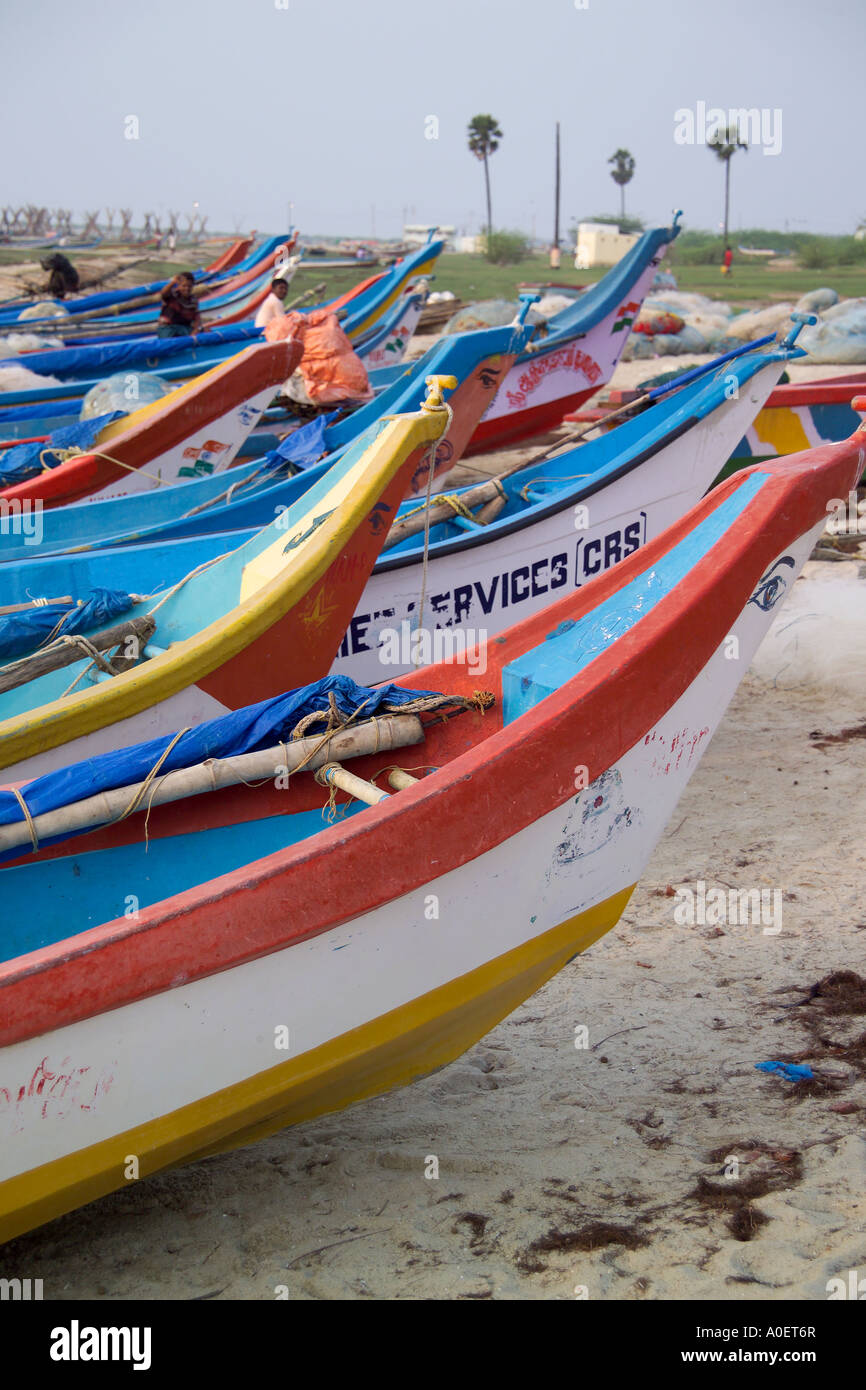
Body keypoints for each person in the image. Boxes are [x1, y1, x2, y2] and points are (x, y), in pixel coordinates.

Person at [157, 272, 201, 338]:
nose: (187, 289)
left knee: (206, 331)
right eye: (184, 286)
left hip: (184, 328)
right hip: (167, 328)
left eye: (189, 286)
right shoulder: (173, 294)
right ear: (179, 286)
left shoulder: (193, 300)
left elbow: (197, 317)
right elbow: (163, 293)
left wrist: (196, 329)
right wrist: (173, 282)